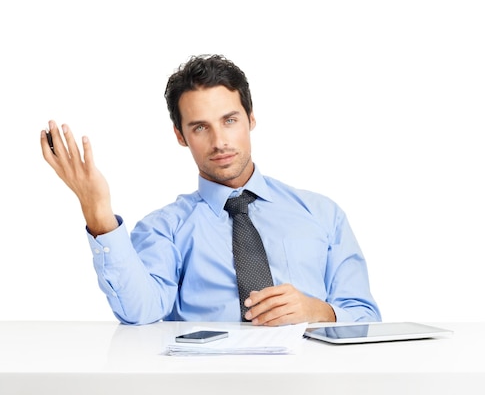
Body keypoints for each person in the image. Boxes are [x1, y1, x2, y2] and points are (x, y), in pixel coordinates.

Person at [40, 54, 381, 326]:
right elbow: (139, 312)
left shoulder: (322, 214)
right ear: (180, 135)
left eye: (230, 120)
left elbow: (366, 317)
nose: (219, 142)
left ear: (251, 119)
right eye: (200, 127)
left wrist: (317, 311)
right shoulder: (165, 228)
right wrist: (97, 210)